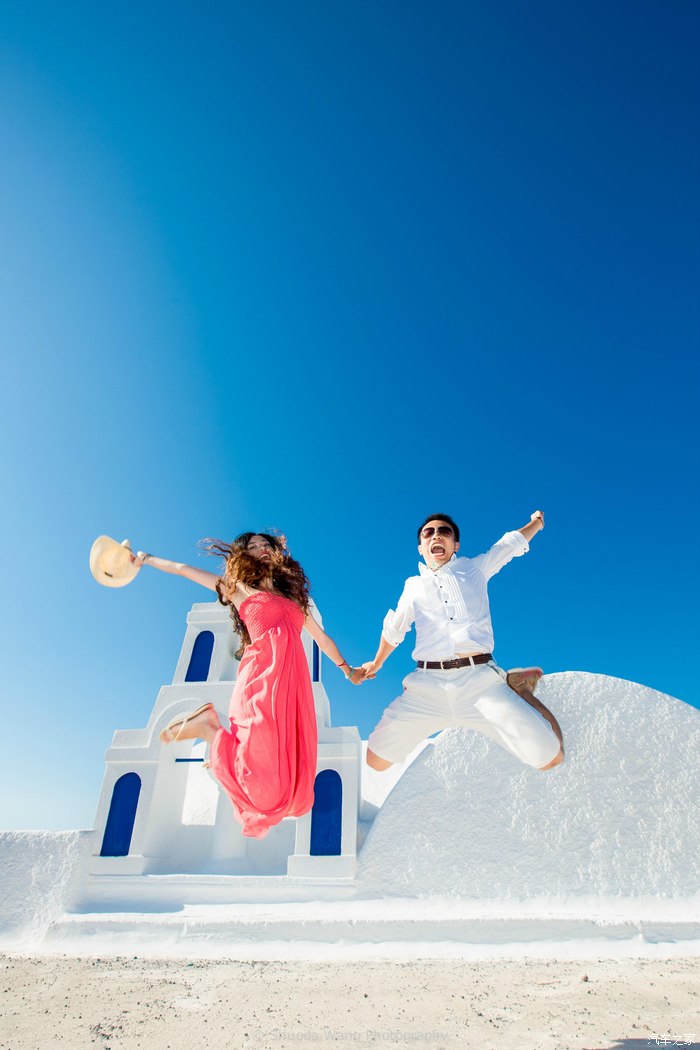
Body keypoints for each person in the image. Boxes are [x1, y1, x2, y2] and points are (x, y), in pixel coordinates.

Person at [134, 532, 364, 837]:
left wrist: (348, 671)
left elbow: (322, 639)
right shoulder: (238, 589)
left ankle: (219, 742)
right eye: (252, 547)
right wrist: (145, 559)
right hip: (260, 676)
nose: (261, 549)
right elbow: (183, 570)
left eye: (265, 544)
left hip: (292, 685)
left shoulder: (296, 599)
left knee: (291, 787)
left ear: (276, 551)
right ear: (244, 557)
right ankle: (210, 730)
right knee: (261, 767)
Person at [360, 511, 564, 774]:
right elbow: (395, 629)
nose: (436, 536)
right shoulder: (413, 586)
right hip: (427, 687)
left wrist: (536, 523)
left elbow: (509, 545)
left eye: (444, 532)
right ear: (421, 547)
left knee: (551, 757)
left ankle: (520, 688)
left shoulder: (474, 568)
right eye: (428, 533)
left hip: (479, 683)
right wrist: (375, 664)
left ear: (455, 545)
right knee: (376, 761)